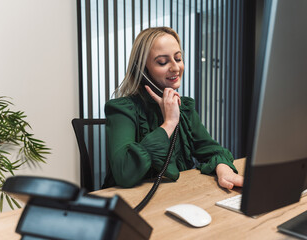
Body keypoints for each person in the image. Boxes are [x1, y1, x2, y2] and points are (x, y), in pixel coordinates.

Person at [103, 26, 243, 190]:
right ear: (142, 69)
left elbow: (211, 151)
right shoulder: (122, 109)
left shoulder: (184, 107)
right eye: (162, 62)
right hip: (130, 202)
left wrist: (224, 170)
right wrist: (169, 123)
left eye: (178, 58)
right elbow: (124, 173)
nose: (176, 68)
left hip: (176, 195)